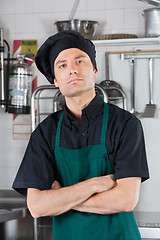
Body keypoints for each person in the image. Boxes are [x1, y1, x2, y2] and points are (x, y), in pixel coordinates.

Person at [12, 30, 149, 240]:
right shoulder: (44, 132)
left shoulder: (126, 124)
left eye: (80, 61)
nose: (72, 70)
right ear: (55, 80)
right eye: (63, 65)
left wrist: (60, 199)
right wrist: (94, 185)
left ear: (94, 70)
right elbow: (37, 206)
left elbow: (126, 200)